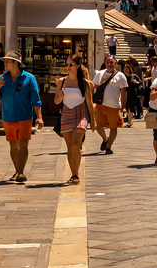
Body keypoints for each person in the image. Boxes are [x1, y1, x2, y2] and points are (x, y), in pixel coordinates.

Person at [0, 51, 43, 183]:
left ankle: (20, 173)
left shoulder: (29, 78)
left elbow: (36, 99)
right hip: (8, 117)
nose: (5, 63)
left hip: (25, 116)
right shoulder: (2, 78)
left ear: (15, 63)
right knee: (13, 145)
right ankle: (18, 171)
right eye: (4, 61)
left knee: (23, 144)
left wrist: (39, 117)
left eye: (7, 61)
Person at [53, 53, 93, 185]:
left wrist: (94, 121)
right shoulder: (62, 81)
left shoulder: (85, 83)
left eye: (71, 64)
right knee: (70, 147)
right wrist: (59, 95)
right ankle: (74, 174)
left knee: (76, 144)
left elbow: (89, 103)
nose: (68, 67)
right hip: (66, 113)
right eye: (67, 64)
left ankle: (76, 174)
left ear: (77, 66)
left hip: (80, 113)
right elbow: (57, 102)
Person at [93, 56, 127, 153]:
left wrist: (124, 106)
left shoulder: (120, 76)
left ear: (115, 63)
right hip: (100, 105)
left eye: (111, 62)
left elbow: (123, 92)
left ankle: (109, 147)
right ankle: (105, 139)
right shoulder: (99, 74)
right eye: (107, 62)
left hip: (114, 106)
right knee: (98, 126)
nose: (109, 64)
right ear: (105, 63)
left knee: (113, 127)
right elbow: (93, 87)